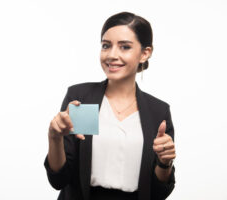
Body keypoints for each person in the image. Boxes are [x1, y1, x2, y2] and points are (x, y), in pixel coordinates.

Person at [44, 11, 176, 200]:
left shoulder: (158, 111)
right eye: (106, 46)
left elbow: (158, 192)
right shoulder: (82, 99)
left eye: (124, 47)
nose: (112, 55)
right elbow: (59, 179)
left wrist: (165, 162)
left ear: (145, 53)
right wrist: (54, 137)